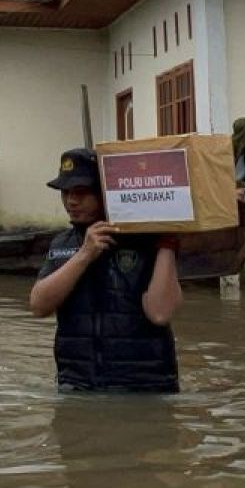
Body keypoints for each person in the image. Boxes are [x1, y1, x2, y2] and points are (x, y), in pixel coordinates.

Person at [28, 149, 183, 392]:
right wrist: (85, 254)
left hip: (145, 389)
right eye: (66, 193)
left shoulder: (148, 242)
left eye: (81, 193)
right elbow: (38, 306)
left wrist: (168, 243)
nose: (71, 201)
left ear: (105, 194)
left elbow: (160, 313)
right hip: (77, 387)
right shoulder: (62, 245)